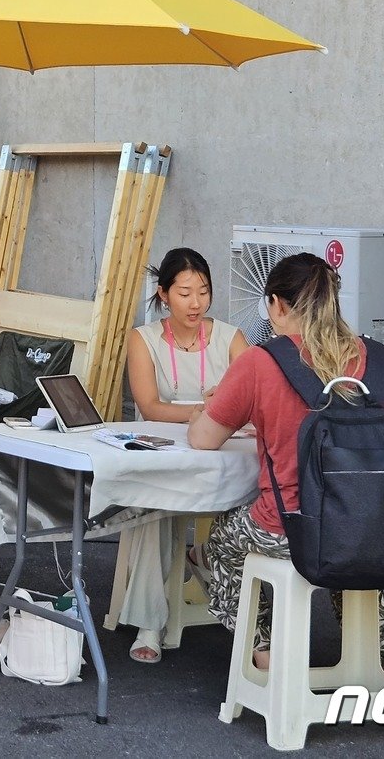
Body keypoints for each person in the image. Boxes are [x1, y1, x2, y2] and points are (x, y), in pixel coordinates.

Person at [187, 252, 384, 676]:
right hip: (376, 524)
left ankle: (265, 654)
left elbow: (202, 439)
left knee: (219, 543)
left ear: (277, 304)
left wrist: (209, 406)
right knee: (357, 547)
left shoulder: (261, 361)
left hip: (289, 527)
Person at [117, 248, 248, 663]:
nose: (196, 303)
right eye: (185, 293)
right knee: (157, 508)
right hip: (166, 450)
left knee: (260, 493)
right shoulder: (144, 339)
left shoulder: (231, 337)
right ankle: (149, 622)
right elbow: (151, 407)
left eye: (204, 292)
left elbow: (253, 398)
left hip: (222, 450)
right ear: (164, 294)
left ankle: (212, 562)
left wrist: (218, 417)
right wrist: (202, 412)